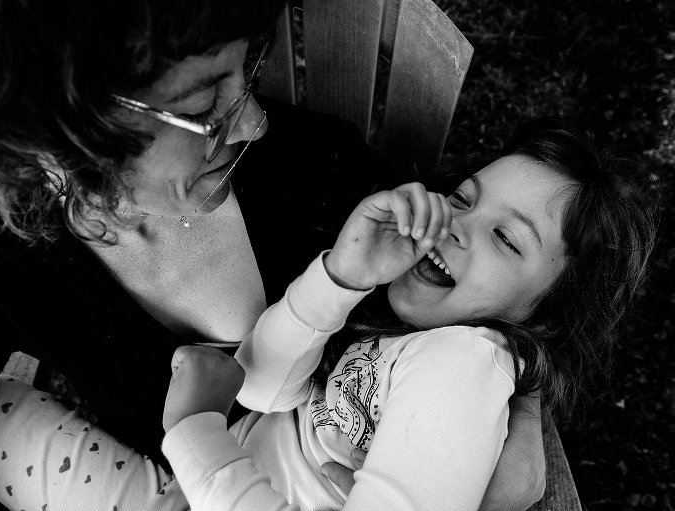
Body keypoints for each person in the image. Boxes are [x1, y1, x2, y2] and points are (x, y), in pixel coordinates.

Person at [0, 2, 544, 510]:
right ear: (58, 130)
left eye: (254, 65)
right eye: (204, 106)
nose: (255, 125)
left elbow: (493, 316)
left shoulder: (326, 182)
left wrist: (522, 400)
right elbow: (267, 380)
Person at [157, 118, 657, 510]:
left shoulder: (462, 363)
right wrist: (341, 278)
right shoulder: (414, 335)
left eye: (506, 238)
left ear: (543, 316)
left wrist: (196, 433)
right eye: (462, 199)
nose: (455, 226)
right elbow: (262, 388)